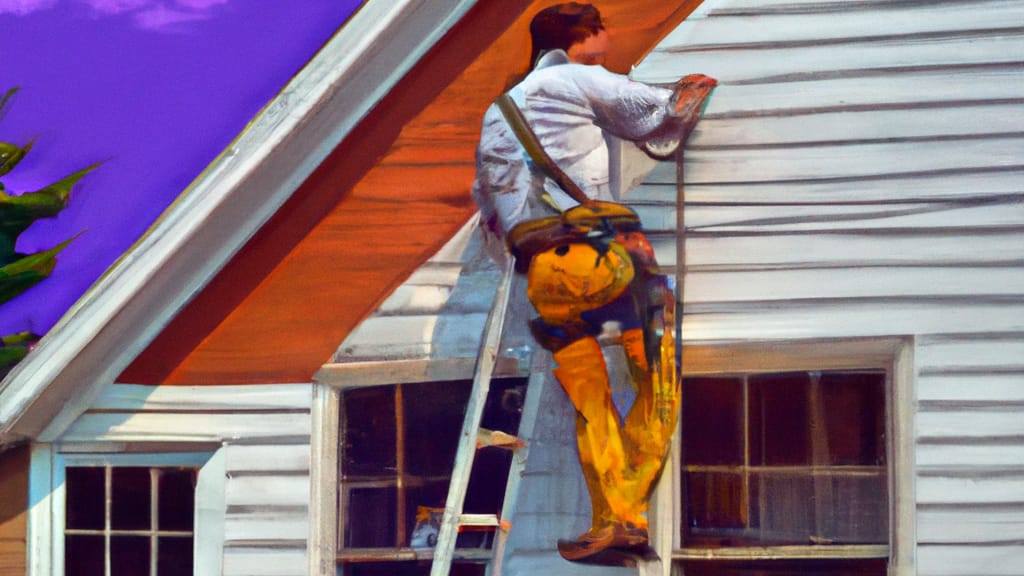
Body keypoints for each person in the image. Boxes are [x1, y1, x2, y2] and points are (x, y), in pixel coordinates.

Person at [470, 2, 716, 563]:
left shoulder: (496, 112)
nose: (610, 40)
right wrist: (691, 93)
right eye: (604, 31)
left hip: (544, 274)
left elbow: (488, 206)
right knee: (656, 375)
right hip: (603, 257)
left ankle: (614, 522)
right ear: (583, 37)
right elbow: (655, 113)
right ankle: (625, 508)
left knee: (591, 404)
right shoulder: (574, 77)